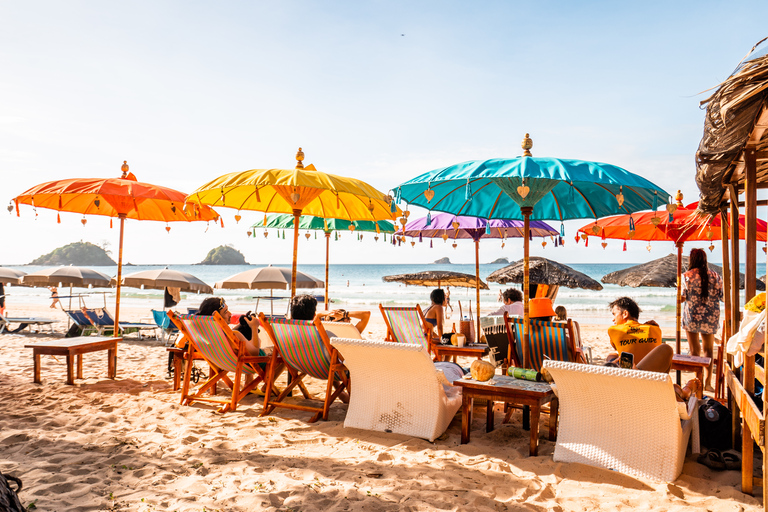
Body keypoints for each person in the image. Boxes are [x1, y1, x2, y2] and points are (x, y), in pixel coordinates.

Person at [681, 248, 724, 392]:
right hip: (711, 317)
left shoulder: (686, 276)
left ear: (691, 260)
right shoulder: (716, 276)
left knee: (695, 350)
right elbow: (722, 296)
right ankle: (707, 383)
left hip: (692, 316)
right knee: (708, 350)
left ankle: (697, 380)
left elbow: (681, 298)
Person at [197, 297, 263, 357]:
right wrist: (254, 327)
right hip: (256, 362)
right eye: (225, 312)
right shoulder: (235, 335)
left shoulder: (207, 336)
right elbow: (255, 353)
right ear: (217, 318)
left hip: (224, 364)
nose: (230, 314)